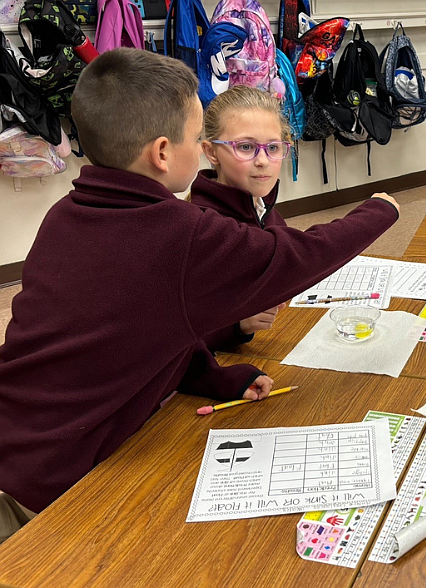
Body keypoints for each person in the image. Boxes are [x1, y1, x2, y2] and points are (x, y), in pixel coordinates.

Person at [0, 49, 400, 537]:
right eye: (197, 138)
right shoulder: (178, 233)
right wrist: (379, 210)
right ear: (165, 153)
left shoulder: (65, 214)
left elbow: (138, 330)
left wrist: (209, 377)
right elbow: (298, 257)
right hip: (46, 488)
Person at [188, 85, 295, 351]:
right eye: (246, 147)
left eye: (273, 147)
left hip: (275, 340)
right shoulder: (200, 227)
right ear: (211, 152)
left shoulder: (263, 208)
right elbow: (171, 328)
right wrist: (238, 325)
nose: (263, 161)